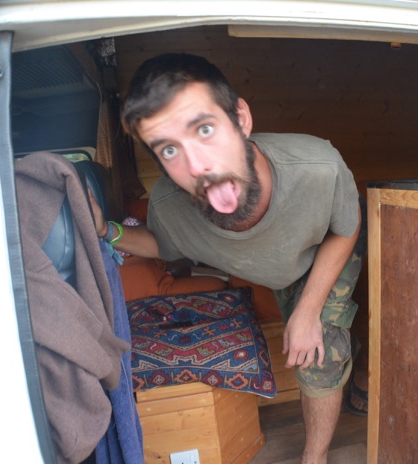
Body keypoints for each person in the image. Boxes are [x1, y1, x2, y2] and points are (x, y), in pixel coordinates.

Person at [89, 52, 365, 464]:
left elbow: (346, 226)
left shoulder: (318, 167)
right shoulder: (170, 206)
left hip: (328, 244)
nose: (198, 166)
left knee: (319, 350)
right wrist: (105, 230)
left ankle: (315, 457)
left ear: (241, 119)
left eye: (204, 129)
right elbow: (164, 245)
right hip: (282, 270)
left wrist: (308, 312)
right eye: (169, 150)